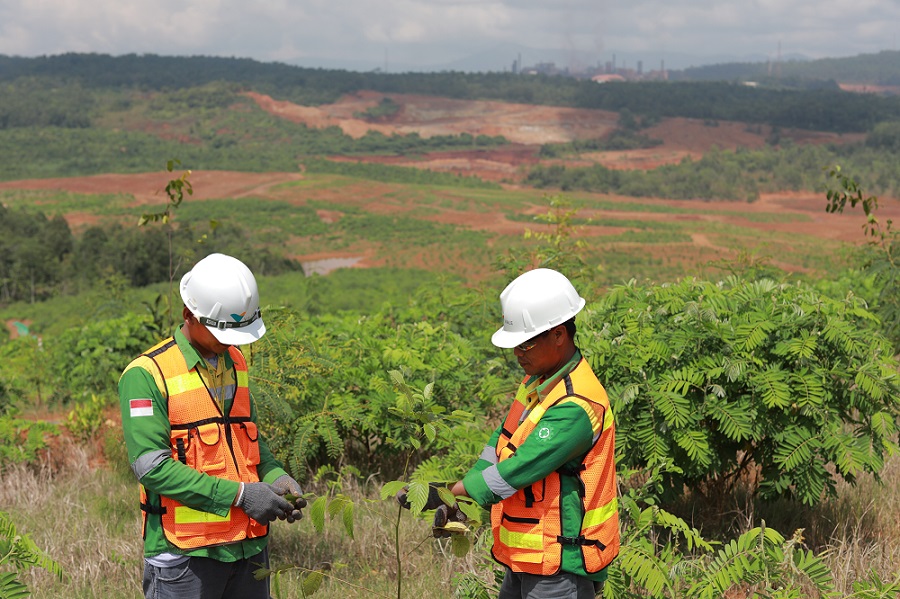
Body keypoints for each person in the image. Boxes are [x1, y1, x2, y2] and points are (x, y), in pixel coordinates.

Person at [118, 253, 306, 599]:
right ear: (189, 314)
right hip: (184, 554)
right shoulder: (146, 375)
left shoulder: (235, 361)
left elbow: (244, 435)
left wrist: (275, 474)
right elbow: (152, 468)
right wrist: (240, 495)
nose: (233, 342)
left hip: (248, 548)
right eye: (224, 332)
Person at [431, 268, 620, 598]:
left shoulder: (577, 404)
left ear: (559, 334)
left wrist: (449, 491)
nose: (518, 352)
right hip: (527, 557)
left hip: (559, 564)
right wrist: (457, 493)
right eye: (515, 343)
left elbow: (519, 468)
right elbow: (501, 444)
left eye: (527, 342)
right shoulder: (537, 383)